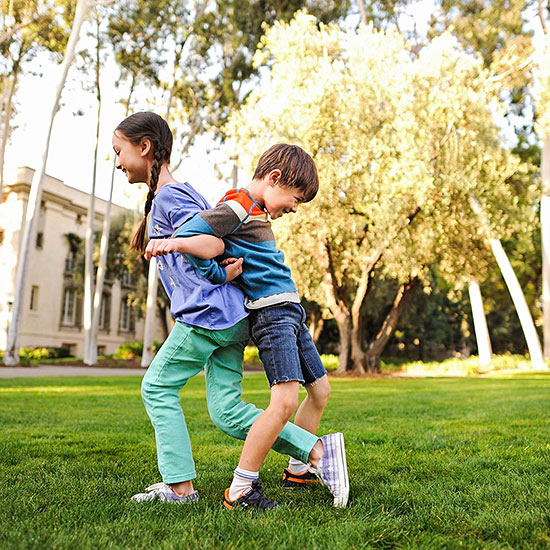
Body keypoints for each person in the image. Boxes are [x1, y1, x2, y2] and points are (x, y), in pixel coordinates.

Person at [112, 112, 346, 509]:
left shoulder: (173, 196)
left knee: (156, 386)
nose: (118, 162)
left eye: (119, 152)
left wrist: (213, 271)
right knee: (226, 411)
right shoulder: (190, 196)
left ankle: (179, 487)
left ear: (144, 147)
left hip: (206, 316)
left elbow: (210, 243)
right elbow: (215, 240)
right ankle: (317, 452)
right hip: (233, 318)